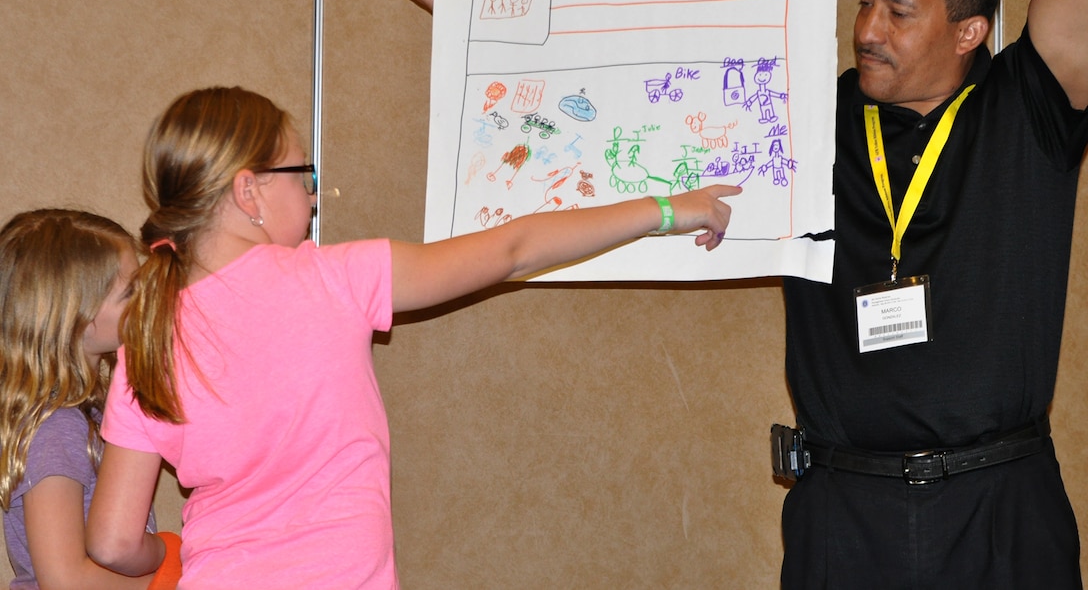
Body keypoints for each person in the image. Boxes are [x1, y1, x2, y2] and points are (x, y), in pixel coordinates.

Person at [389, 0, 1088, 587]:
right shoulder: (797, 109)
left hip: (1000, 507)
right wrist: (472, 16)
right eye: (865, 1)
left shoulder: (1029, 105)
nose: (868, 30)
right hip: (844, 510)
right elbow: (628, 90)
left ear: (970, 30)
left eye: (900, 13)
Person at [82, 86, 740, 589]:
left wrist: (166, 552)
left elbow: (112, 540)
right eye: (303, 176)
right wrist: (665, 209)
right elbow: (514, 246)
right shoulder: (335, 277)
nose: (313, 199)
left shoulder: (149, 337)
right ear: (248, 191)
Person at [0, 209, 182, 590]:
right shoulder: (57, 426)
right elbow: (65, 579)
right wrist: (176, 579)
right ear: (75, 317)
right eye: (130, 291)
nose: (147, 299)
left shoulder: (88, 413)